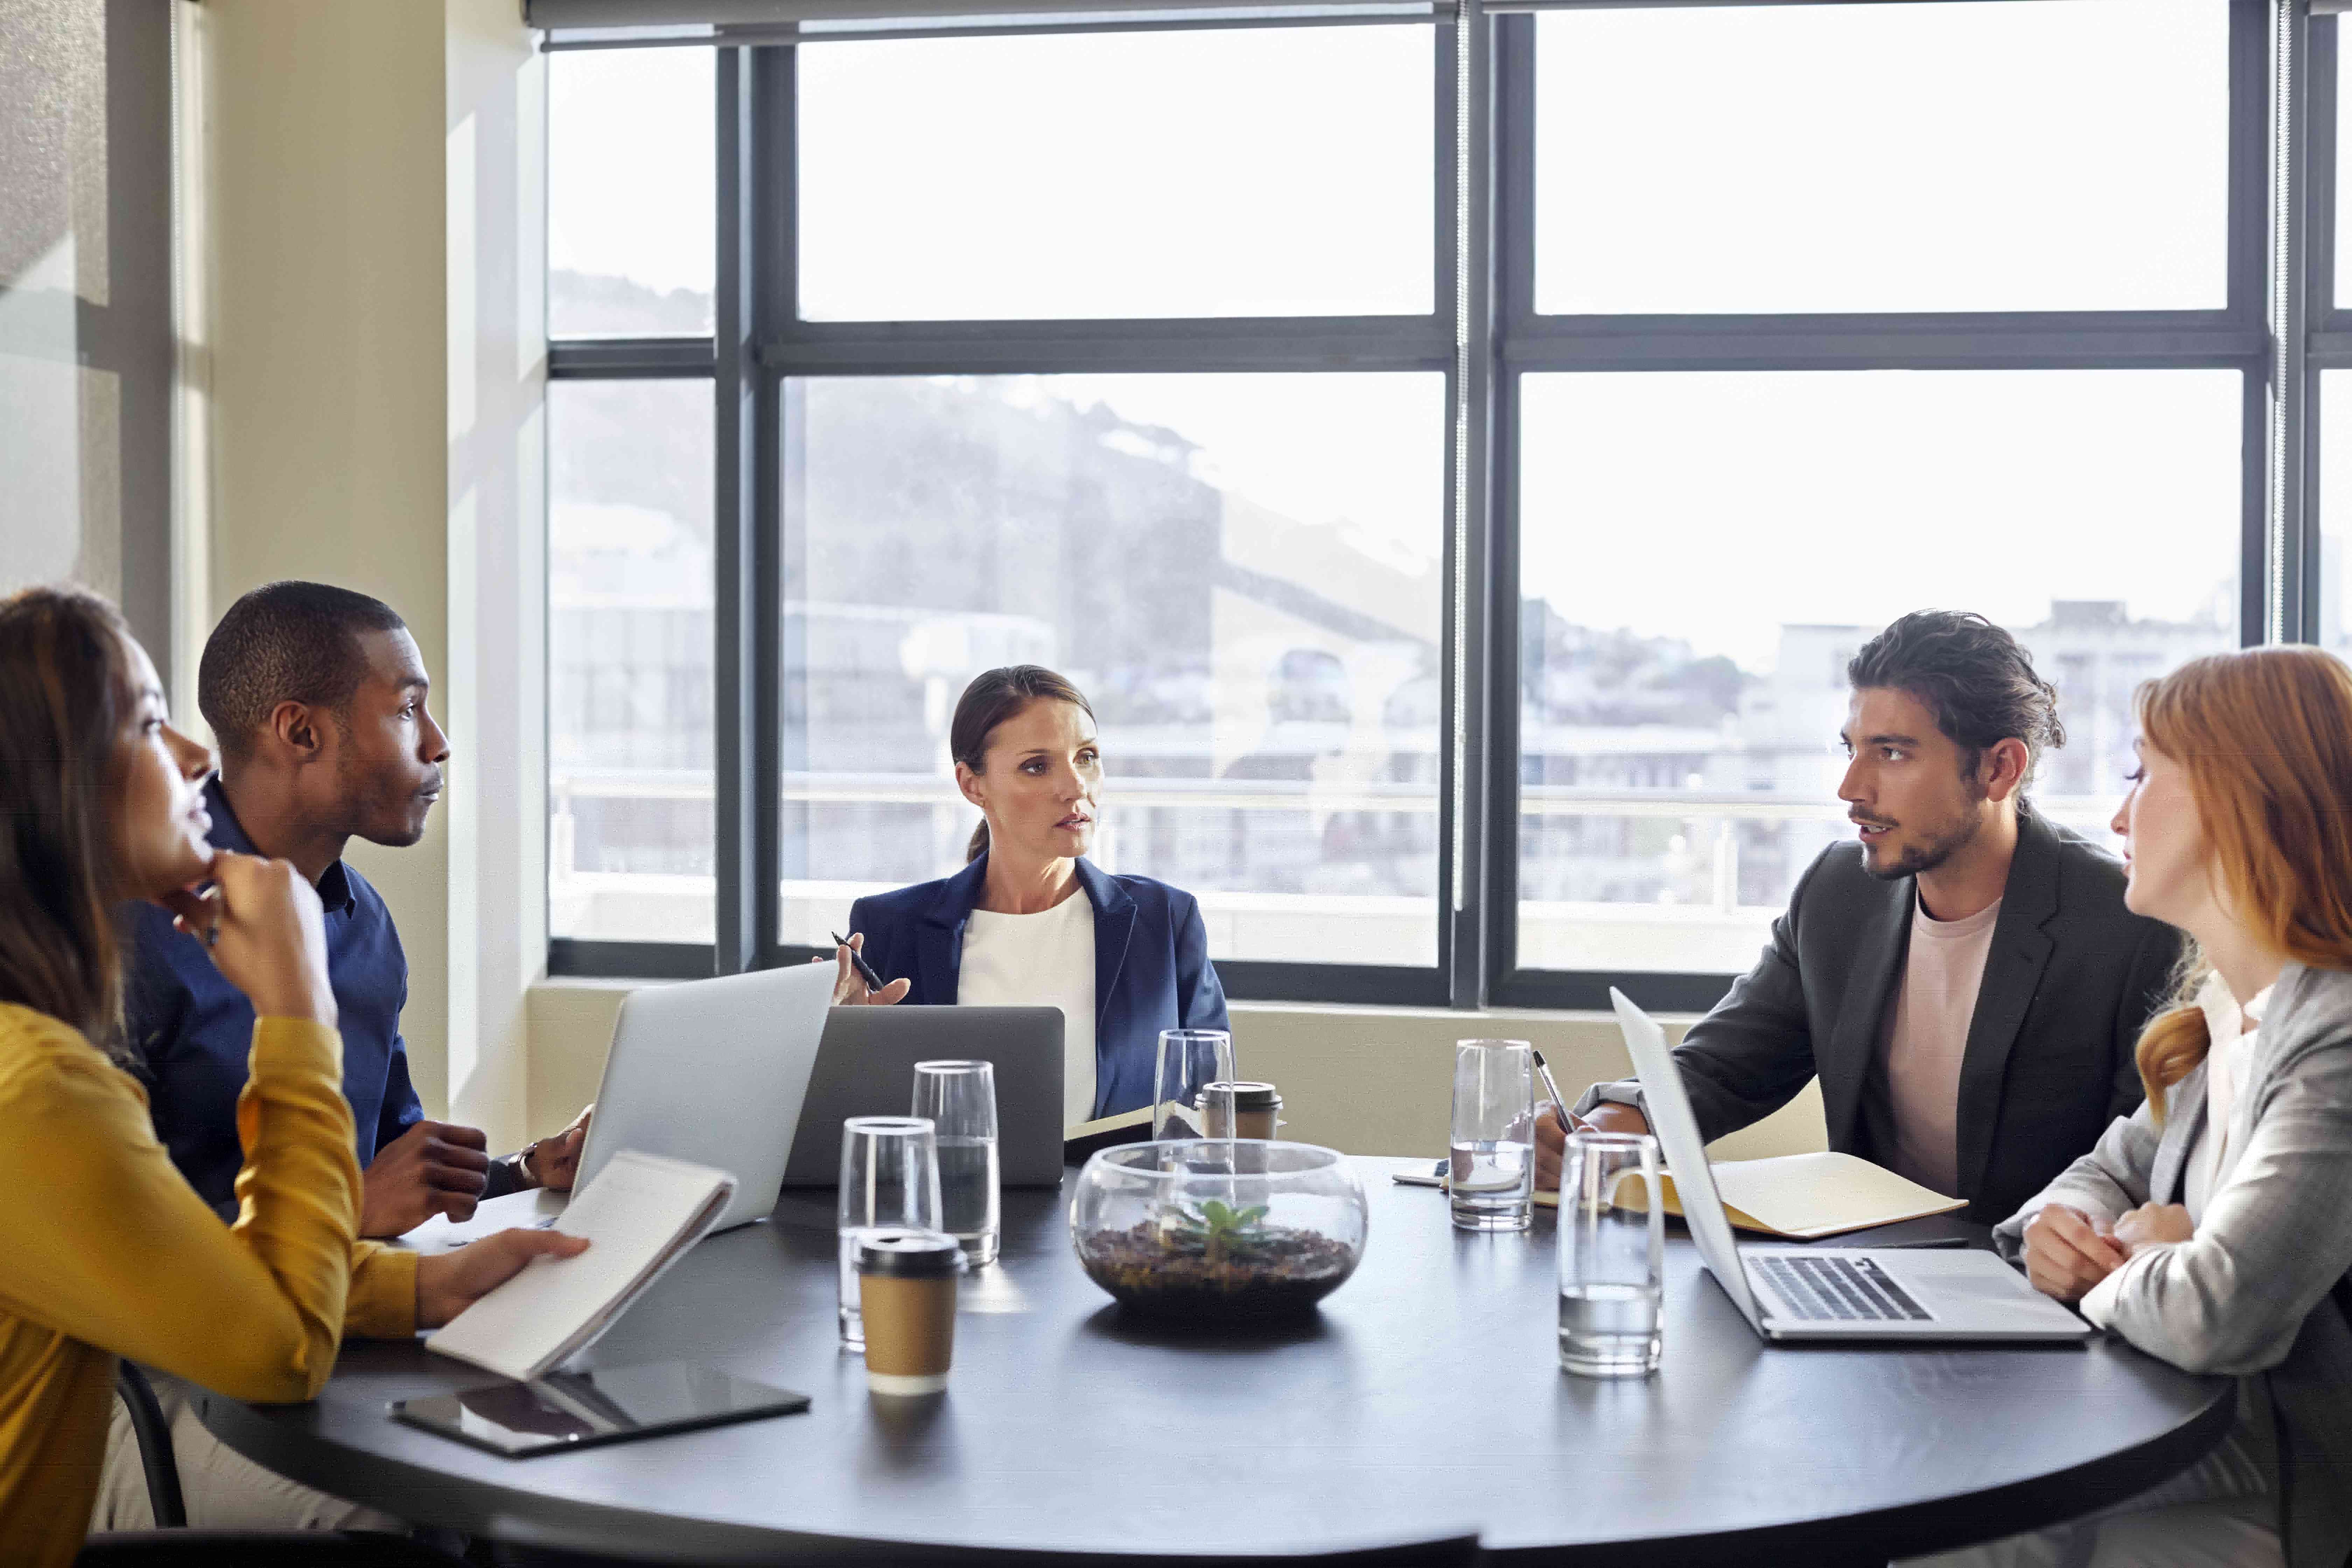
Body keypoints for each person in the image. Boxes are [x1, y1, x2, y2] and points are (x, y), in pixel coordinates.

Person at [0, 585, 586, 1566]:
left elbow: (188, 1254)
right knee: (432, 1521)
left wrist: (440, 1273)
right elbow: (274, 1344)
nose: (194, 755)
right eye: (149, 726)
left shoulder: (44, 1053)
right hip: (141, 1388)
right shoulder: (40, 1086)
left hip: (207, 1341)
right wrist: (298, 1011)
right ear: (57, 790)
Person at [1907, 645, 2352, 1568]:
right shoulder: (2226, 1008)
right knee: (1927, 1477)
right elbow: (2107, 1171)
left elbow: (2215, 1312)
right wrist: (2062, 1228)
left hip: (2277, 1476)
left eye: (2142, 774)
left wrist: (2102, 1271)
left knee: (1945, 1522)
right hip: (2172, 1424)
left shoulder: (2336, 1037)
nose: (2116, 813)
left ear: (2243, 799)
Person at [1536, 611, 2181, 1224]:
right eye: (1852, 749)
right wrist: (1615, 1127)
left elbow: (2145, 1173)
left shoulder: (2127, 924)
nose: (1851, 788)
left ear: (1998, 768)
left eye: (1893, 753)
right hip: (1870, 1267)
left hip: (2036, 1292)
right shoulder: (1837, 894)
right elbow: (1726, 1065)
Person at [827, 665, 1228, 1126]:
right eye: (1037, 766)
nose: (1077, 786)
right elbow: (866, 1130)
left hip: (1117, 1196)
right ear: (972, 785)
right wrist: (842, 1046)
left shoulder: (1165, 922)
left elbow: (1212, 1109)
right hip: (954, 1195)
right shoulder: (891, 928)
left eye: (1087, 757)